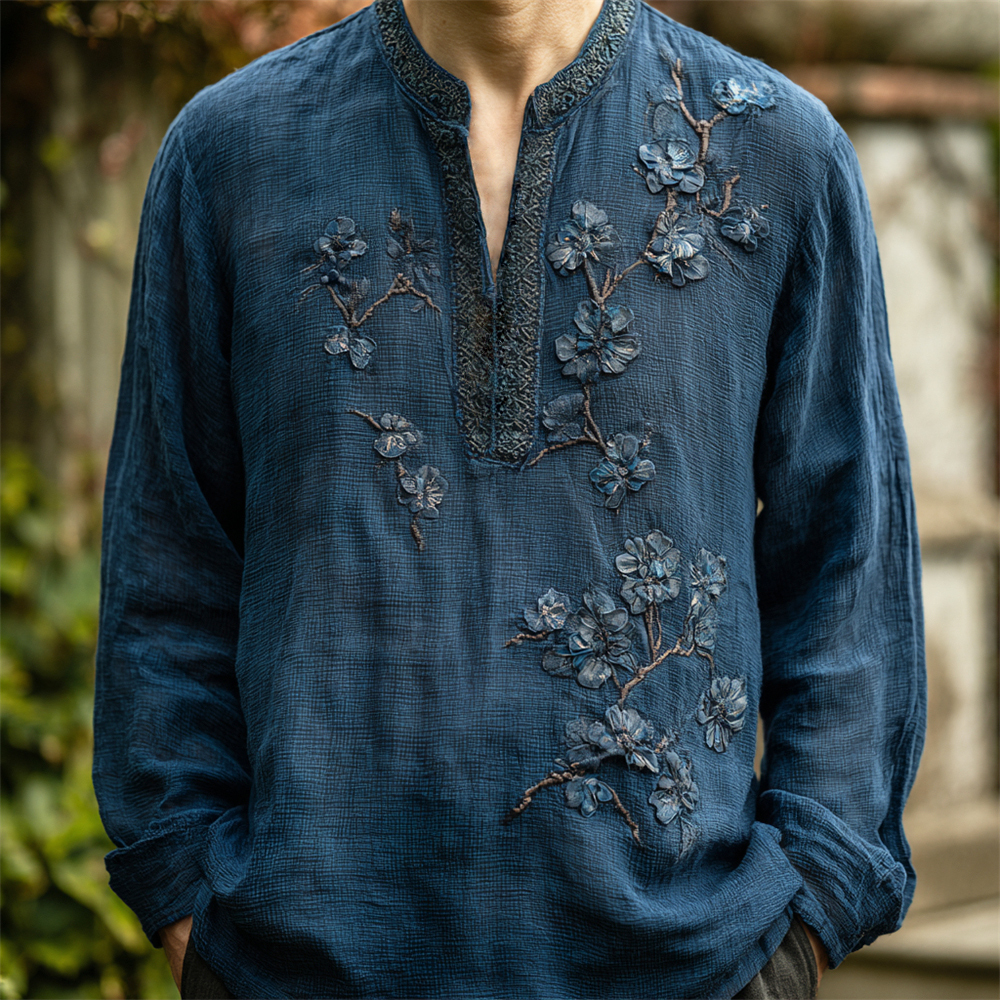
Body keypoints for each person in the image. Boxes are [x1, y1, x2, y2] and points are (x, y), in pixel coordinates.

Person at [92, 0, 926, 997]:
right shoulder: (234, 155)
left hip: (686, 972)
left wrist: (796, 934)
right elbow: (166, 571)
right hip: (300, 970)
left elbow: (849, 571)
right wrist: (193, 909)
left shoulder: (777, 155)